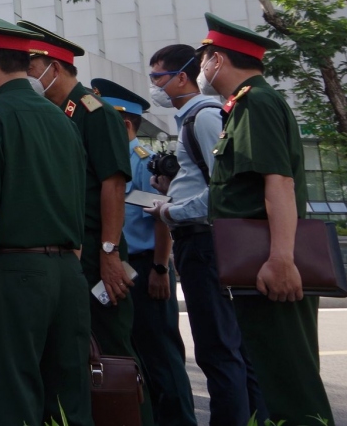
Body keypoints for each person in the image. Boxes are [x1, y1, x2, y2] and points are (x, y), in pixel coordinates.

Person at [0, 11, 92, 426]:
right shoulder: (62, 119)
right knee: (68, 399)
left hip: (15, 274)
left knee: (12, 398)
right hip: (68, 272)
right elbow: (77, 203)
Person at [197, 13, 335, 425]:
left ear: (218, 59)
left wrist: (282, 259)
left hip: (268, 264)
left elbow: (278, 183)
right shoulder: (245, 103)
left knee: (289, 383)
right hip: (255, 264)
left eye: (204, 58)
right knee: (273, 377)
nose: (201, 68)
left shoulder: (255, 102)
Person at [18, 20, 153, 426]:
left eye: (32, 66)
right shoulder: (55, 114)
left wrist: (110, 253)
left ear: (53, 67)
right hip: (67, 254)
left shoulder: (95, 113)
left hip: (98, 253)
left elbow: (113, 186)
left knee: (111, 354)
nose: (27, 75)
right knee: (68, 354)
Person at [143, 44, 266, 425]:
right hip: (198, 242)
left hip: (205, 242)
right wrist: (171, 189)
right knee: (227, 348)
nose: (155, 88)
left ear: (182, 76)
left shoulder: (205, 117)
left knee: (219, 350)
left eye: (157, 78)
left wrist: (170, 209)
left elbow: (223, 191)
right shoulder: (191, 120)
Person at [92, 77, 197, 426]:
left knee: (161, 359)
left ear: (123, 123)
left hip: (143, 269)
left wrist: (160, 268)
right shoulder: (103, 161)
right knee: (128, 357)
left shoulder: (142, 162)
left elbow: (161, 218)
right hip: (117, 269)